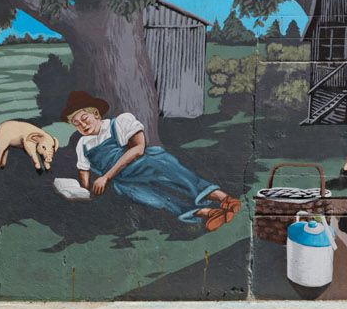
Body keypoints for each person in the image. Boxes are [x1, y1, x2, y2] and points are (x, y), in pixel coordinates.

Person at [64, 90, 241, 232]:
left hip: (145, 163)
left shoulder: (118, 123)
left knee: (182, 180)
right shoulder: (83, 145)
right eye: (76, 123)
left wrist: (106, 177)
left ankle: (226, 200)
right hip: (124, 182)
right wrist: (83, 191)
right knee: (159, 199)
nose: (82, 125)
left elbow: (138, 148)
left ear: (95, 114)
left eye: (84, 118)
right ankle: (211, 213)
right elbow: (83, 170)